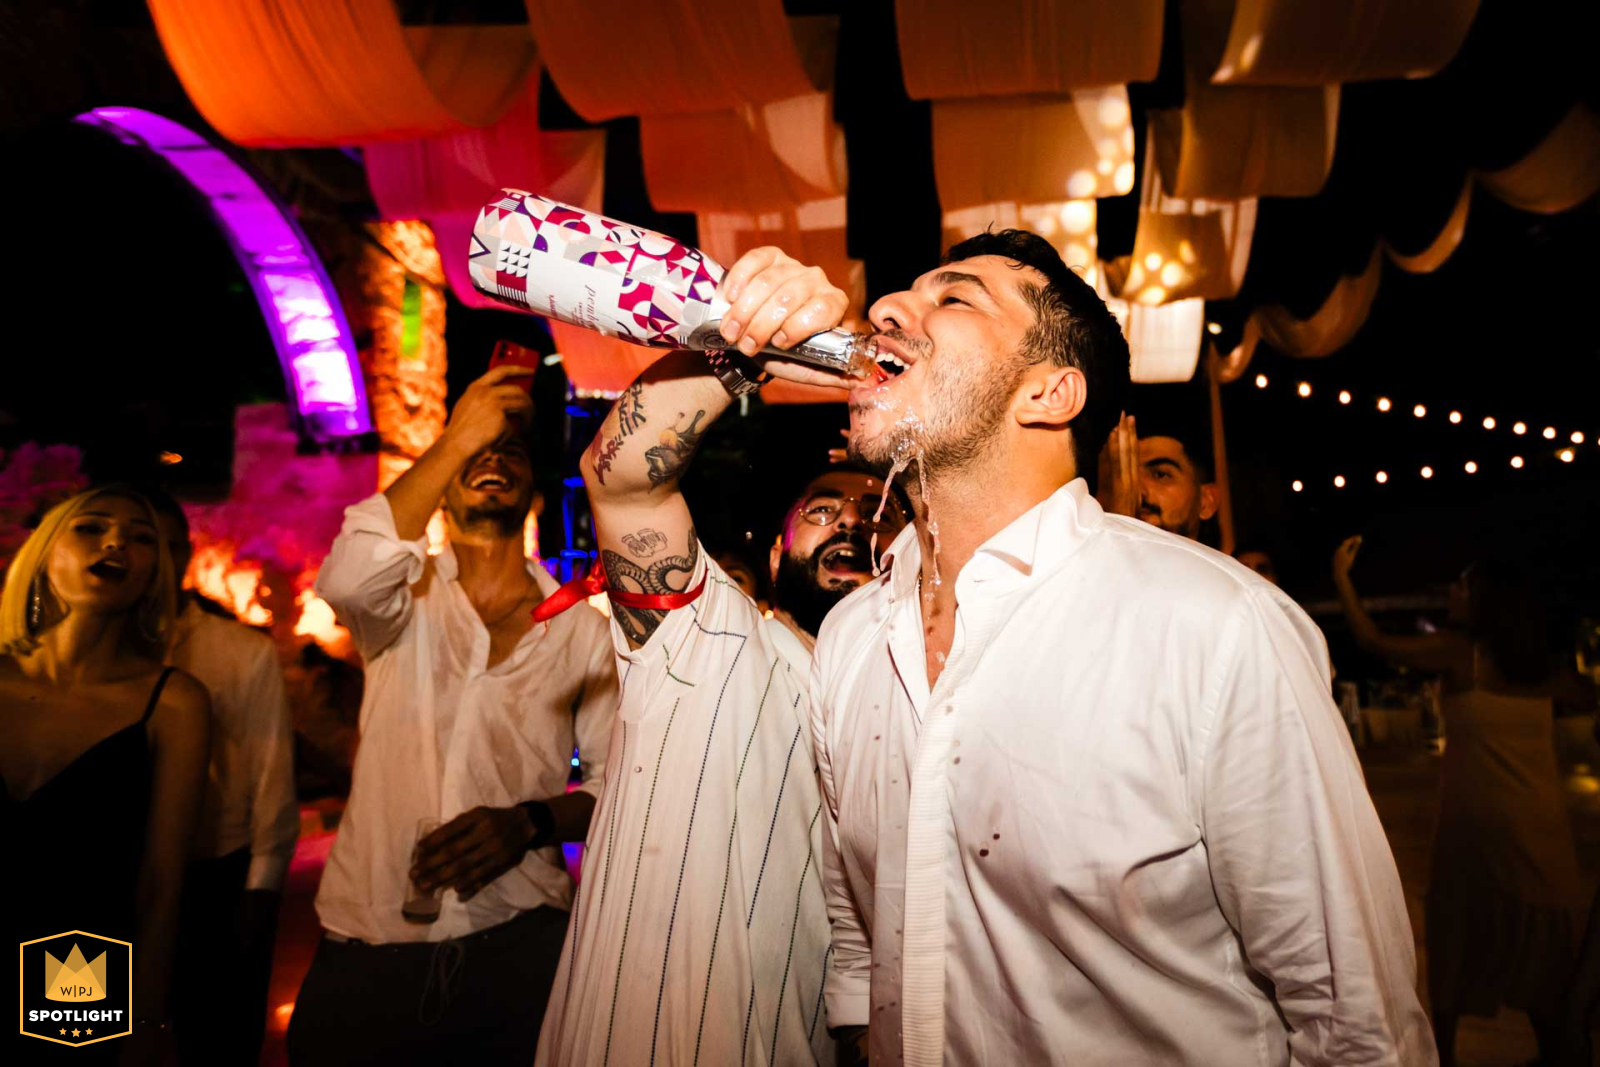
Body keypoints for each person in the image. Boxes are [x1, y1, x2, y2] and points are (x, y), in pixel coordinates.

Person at [803, 229, 1433, 1065]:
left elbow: (1354, 1019)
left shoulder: (1215, 627)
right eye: (905, 292)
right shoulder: (849, 638)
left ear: (1050, 394)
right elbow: (859, 943)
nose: (883, 308)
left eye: (953, 297)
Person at [533, 314, 909, 1065]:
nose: (852, 526)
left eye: (879, 516)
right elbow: (623, 473)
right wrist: (748, 344)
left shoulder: (911, 710)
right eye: (824, 511)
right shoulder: (711, 638)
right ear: (775, 554)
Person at [287, 367, 618, 1065]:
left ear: (533, 486)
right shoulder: (400, 598)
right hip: (367, 946)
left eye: (510, 452)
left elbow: (619, 786)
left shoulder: (580, 629)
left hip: (521, 943)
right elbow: (346, 574)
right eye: (474, 454)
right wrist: (458, 433)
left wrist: (527, 823)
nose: (492, 458)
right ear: (441, 481)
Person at [1334, 537, 1583, 1067]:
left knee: (1455, 968)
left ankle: (1441, 1059)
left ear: (1487, 599)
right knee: (1549, 983)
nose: (1453, 591)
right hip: (1543, 839)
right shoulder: (1543, 666)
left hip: (1474, 833)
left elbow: (1372, 639)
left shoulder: (1459, 653)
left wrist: (1341, 579)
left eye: (1464, 585)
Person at [0, 485, 211, 1064]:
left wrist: (146, 1022)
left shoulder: (174, 703)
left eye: (142, 538)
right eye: (92, 527)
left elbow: (160, 883)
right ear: (42, 552)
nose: (117, 541)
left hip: (77, 961)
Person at [146, 487, 298, 1066]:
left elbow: (270, 779)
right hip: (115, 877)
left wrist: (260, 891)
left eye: (161, 544)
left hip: (214, 876)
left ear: (185, 553)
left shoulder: (237, 652)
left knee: (214, 1042)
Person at [1096, 408, 1219, 540]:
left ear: (1206, 501)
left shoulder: (1219, 561)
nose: (1134, 489)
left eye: (1160, 475)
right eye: (1122, 474)